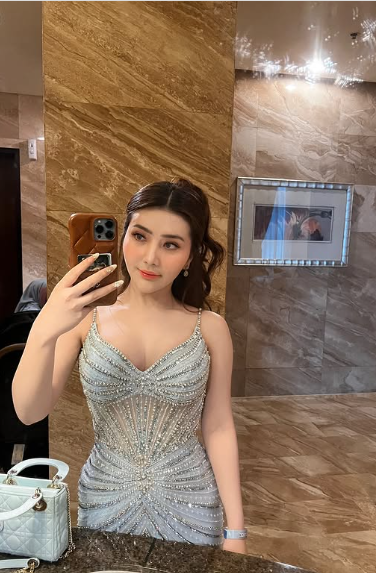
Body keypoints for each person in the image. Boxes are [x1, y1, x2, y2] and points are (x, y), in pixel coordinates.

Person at [12, 178, 247, 554]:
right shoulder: (84, 319)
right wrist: (44, 329)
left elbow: (218, 426)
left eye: (171, 244)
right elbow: (29, 411)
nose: (151, 257)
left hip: (191, 501)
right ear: (122, 237)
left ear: (190, 256)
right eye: (140, 236)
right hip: (106, 498)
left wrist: (236, 531)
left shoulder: (211, 328)